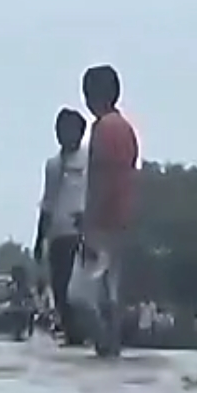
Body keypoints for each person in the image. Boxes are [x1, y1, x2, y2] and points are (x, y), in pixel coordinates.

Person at [78, 64, 140, 357]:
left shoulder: (102, 129)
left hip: (103, 221)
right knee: (110, 288)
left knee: (80, 295)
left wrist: (89, 222)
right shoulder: (127, 129)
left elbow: (102, 178)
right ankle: (112, 346)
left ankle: (106, 344)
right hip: (122, 219)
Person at [33, 108, 90, 345]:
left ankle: (84, 333)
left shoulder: (90, 158)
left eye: (68, 130)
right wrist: (40, 239)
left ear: (80, 132)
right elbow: (47, 203)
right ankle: (70, 334)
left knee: (79, 291)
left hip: (82, 233)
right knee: (60, 288)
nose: (63, 135)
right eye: (59, 130)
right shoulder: (53, 165)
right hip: (58, 234)